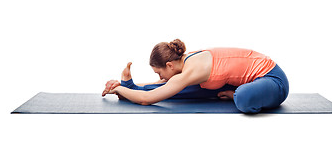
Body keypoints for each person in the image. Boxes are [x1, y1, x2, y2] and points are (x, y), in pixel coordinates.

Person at [102, 39, 289, 113]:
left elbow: (147, 99)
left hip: (273, 80)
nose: (161, 77)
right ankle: (130, 88)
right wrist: (128, 88)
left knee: (242, 97)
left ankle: (236, 93)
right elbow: (163, 86)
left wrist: (118, 88)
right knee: (177, 89)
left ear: (169, 65)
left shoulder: (191, 71)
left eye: (160, 72)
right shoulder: (185, 61)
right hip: (244, 80)